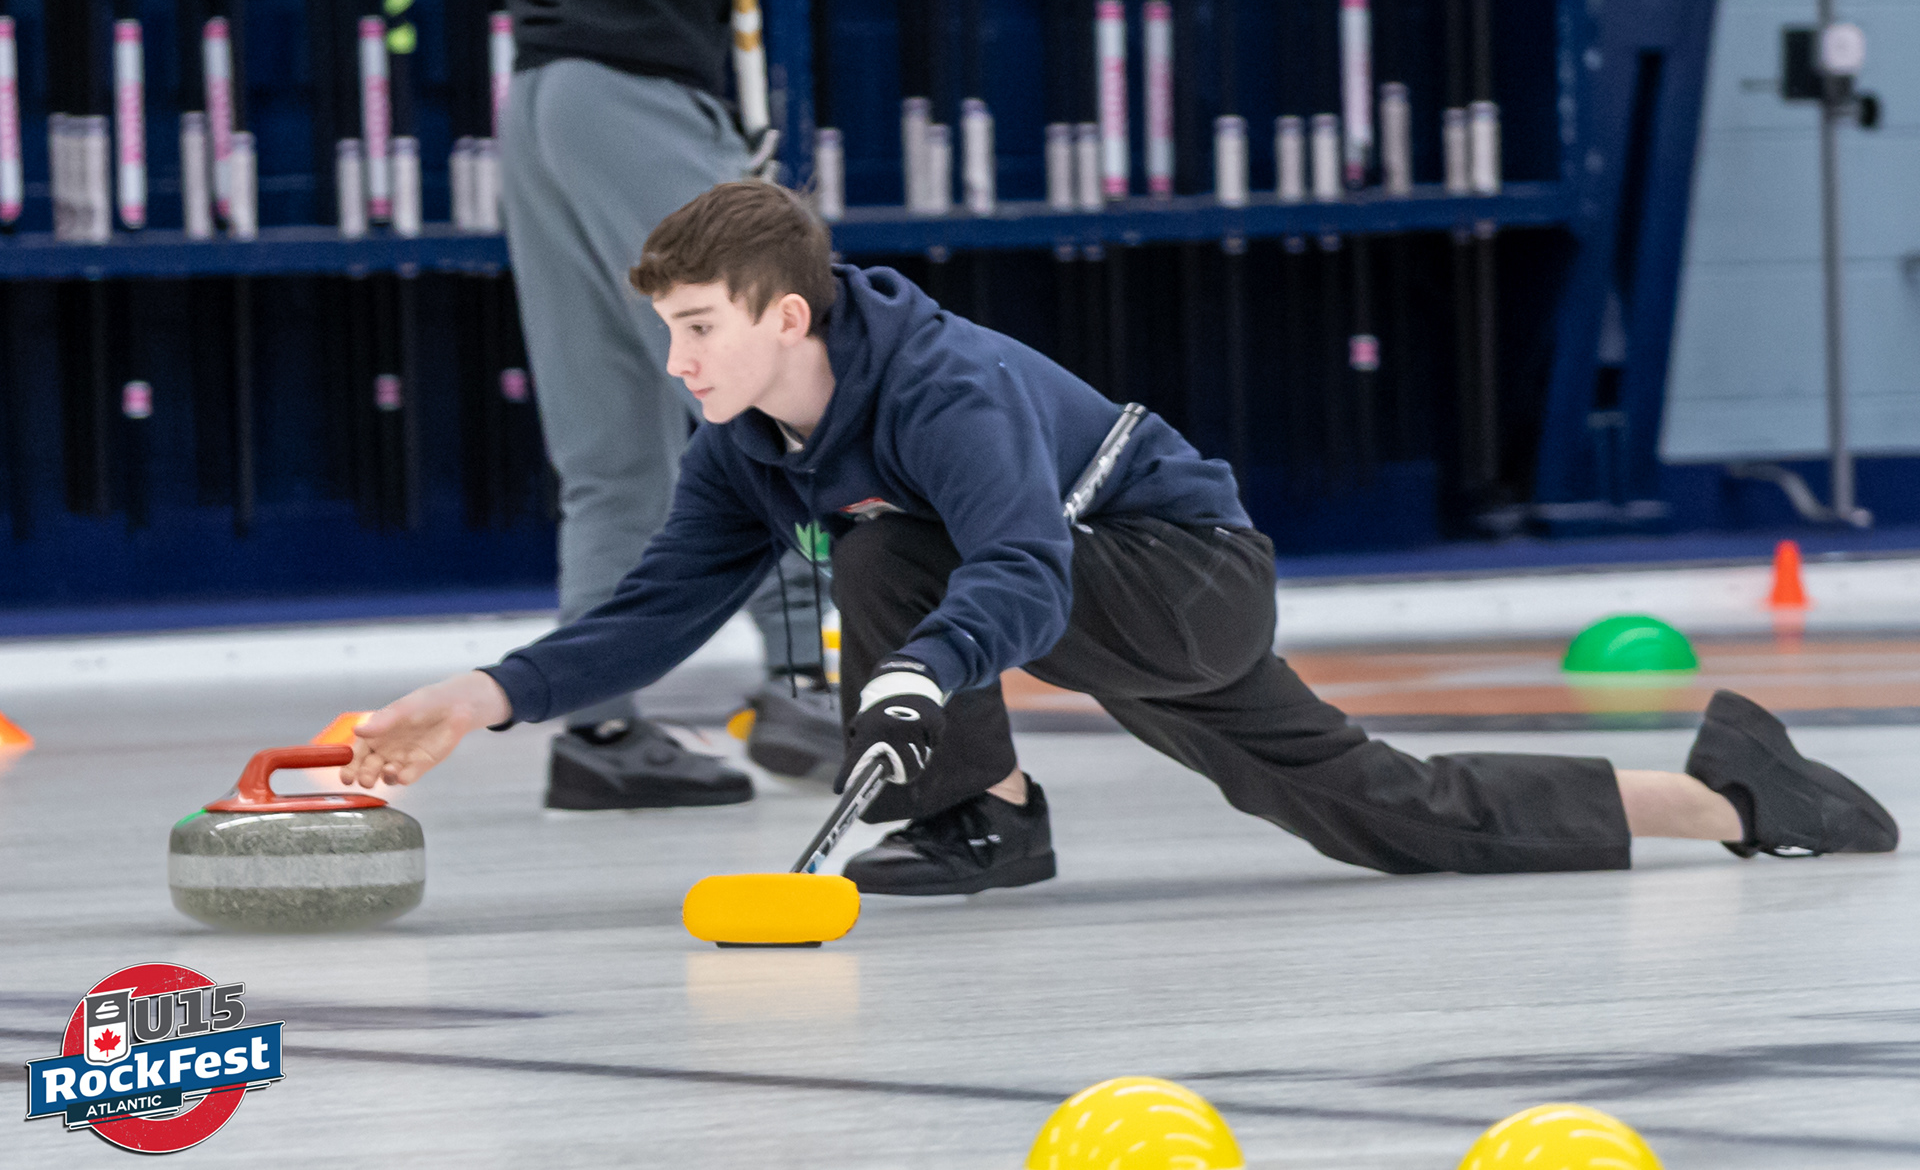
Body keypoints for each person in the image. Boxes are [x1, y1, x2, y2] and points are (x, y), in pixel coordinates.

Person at [341, 181, 1900, 893]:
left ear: (788, 317)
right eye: (668, 332)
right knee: (1376, 808)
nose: (678, 360)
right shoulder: (745, 443)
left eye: (698, 327)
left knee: (887, 552)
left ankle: (985, 820)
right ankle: (1738, 795)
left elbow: (1017, 568)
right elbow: (656, 609)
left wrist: (921, 676)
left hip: (1184, 573)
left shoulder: (939, 386)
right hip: (1097, 599)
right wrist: (489, 693)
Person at [481, 0, 842, 810]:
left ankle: (599, 728)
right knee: (771, 388)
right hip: (635, 90)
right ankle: (808, 683)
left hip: (541, 97)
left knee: (610, 452)